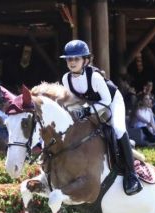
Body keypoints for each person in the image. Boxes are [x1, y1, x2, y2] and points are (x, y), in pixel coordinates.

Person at [60, 39, 141, 195]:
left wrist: (87, 111)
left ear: (86, 60)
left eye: (76, 58)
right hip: (91, 106)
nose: (72, 62)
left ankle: (132, 176)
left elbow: (106, 101)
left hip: (112, 102)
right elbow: (72, 101)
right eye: (69, 59)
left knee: (117, 129)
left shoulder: (95, 77)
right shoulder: (66, 79)